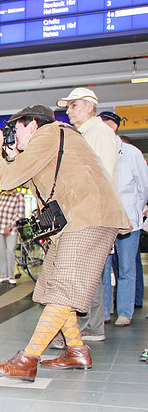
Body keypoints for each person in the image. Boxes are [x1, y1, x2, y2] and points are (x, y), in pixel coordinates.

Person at [0, 105, 130, 382]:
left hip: (90, 217)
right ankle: (76, 350)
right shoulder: (53, 138)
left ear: (33, 125)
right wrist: (15, 157)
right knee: (51, 286)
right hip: (77, 220)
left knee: (63, 290)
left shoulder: (50, 133)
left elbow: (6, 180)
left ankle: (27, 360)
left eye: (17, 129)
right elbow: (34, 182)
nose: (13, 135)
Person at [56, 87, 118, 342]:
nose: (68, 110)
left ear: (89, 106)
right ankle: (89, 327)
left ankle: (87, 328)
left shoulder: (100, 132)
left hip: (92, 213)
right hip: (82, 212)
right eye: (68, 106)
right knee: (86, 272)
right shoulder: (82, 133)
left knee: (83, 272)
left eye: (73, 105)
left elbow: (101, 175)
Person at [98, 112, 148, 327]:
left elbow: (143, 186)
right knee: (103, 268)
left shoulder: (132, 153)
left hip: (128, 221)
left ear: (114, 127)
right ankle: (105, 311)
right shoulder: (96, 152)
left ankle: (125, 312)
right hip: (104, 220)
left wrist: (137, 209)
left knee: (127, 268)